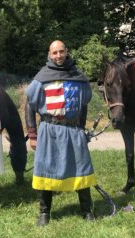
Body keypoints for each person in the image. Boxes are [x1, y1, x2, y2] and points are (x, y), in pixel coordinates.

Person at [25, 40, 97, 226]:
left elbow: (83, 105)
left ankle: (87, 211)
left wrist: (82, 129)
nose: (58, 55)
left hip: (73, 130)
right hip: (49, 130)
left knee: (82, 168)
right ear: (50, 54)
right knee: (46, 169)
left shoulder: (78, 76)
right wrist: (32, 135)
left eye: (61, 51)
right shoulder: (42, 77)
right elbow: (29, 105)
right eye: (55, 52)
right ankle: (44, 213)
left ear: (67, 52)